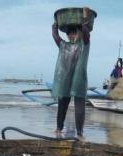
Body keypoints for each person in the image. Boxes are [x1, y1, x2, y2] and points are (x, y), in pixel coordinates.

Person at [51, 7, 92, 138]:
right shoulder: (64, 45)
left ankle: (80, 133)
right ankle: (58, 128)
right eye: (69, 33)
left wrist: (85, 18)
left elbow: (86, 33)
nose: (71, 35)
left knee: (79, 108)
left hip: (79, 79)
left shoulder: (84, 44)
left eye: (74, 33)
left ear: (78, 33)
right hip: (65, 80)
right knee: (62, 106)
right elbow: (55, 35)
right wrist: (55, 23)